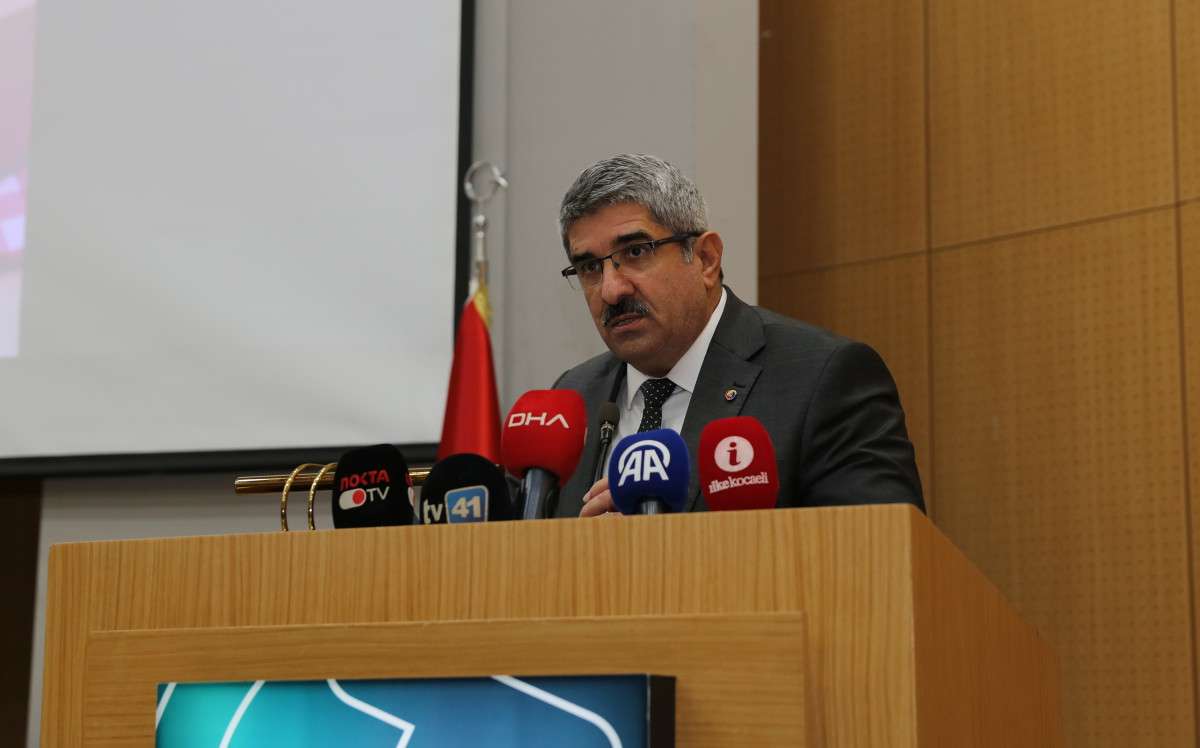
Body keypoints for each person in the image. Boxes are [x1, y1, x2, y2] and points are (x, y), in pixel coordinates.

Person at [551, 154, 923, 517]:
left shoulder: (822, 379)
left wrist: (664, 542)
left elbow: (878, 547)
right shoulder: (571, 400)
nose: (611, 290)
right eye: (590, 267)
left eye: (635, 252)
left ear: (706, 259)